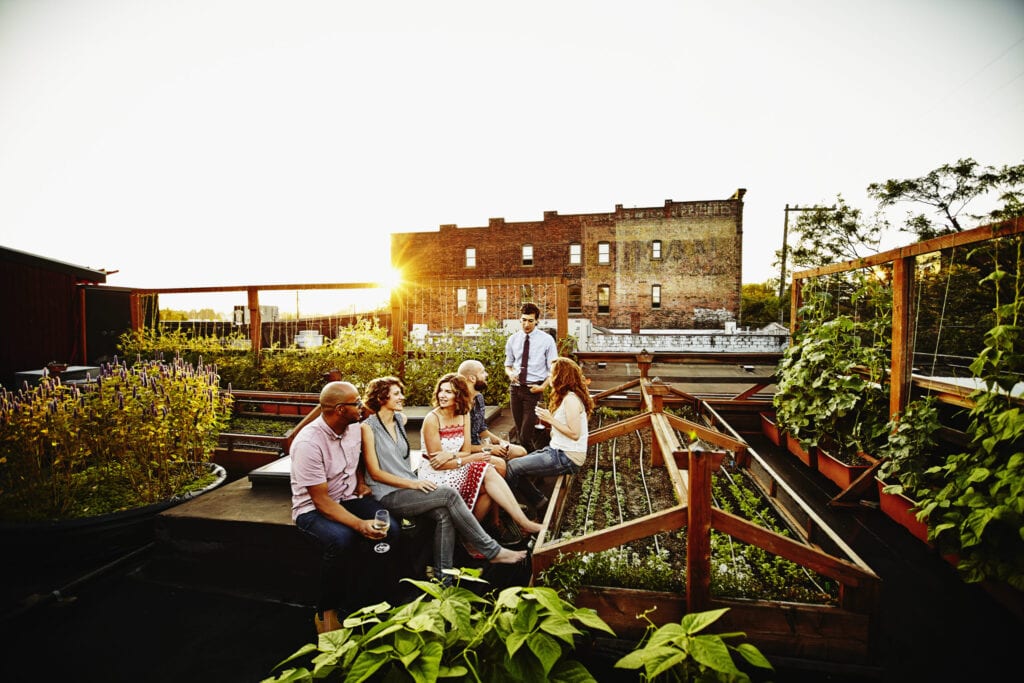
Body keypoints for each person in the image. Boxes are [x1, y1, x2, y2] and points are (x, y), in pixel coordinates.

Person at [361, 375, 528, 583]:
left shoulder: (399, 420)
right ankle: (492, 550)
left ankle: (443, 578)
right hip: (387, 492)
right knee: (449, 495)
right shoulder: (368, 428)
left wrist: (416, 479)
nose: (402, 397)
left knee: (443, 515)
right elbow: (375, 473)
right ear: (381, 398)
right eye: (396, 394)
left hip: (408, 485)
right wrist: (414, 483)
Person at [290, 380, 402, 634]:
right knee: (341, 540)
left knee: (392, 529)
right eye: (357, 403)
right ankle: (326, 611)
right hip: (313, 509)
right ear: (340, 409)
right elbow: (322, 501)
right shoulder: (309, 443)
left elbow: (360, 455)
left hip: (350, 497)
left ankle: (373, 598)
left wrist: (361, 481)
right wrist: (360, 524)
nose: (362, 406)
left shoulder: (354, 427)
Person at [418, 373, 542, 553]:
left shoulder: (464, 414)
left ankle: (472, 536)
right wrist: (469, 459)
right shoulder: (432, 419)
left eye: (449, 392)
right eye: (441, 391)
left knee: (489, 488)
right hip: (435, 475)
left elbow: (465, 450)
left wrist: (452, 455)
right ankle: (521, 523)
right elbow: (438, 464)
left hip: (455, 465)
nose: (442, 395)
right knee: (487, 470)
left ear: (459, 396)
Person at [504, 357, 594, 516]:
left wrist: (550, 419)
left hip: (566, 457)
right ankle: (538, 503)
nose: (549, 376)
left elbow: (574, 433)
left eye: (552, 373)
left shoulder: (571, 400)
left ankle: (531, 507)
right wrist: (550, 424)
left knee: (512, 468)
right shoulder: (566, 397)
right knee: (513, 464)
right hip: (557, 450)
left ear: (562, 376)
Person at [504, 302, 559, 452]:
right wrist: (510, 374)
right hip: (515, 390)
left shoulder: (546, 340)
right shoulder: (513, 340)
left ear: (537, 321)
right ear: (519, 320)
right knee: (520, 430)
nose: (526, 324)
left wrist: (542, 387)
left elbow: (553, 368)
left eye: (530, 320)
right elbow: (508, 365)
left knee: (524, 435)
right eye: (524, 320)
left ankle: (530, 466)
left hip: (533, 390)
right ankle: (533, 462)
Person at [457, 358, 527, 460]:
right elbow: (457, 447)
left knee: (520, 452)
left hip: (480, 446)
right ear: (472, 378)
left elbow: (482, 430)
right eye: (482, 372)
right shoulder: (458, 405)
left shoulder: (479, 398)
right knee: (501, 464)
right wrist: (488, 448)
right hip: (465, 454)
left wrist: (500, 442)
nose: (487, 375)